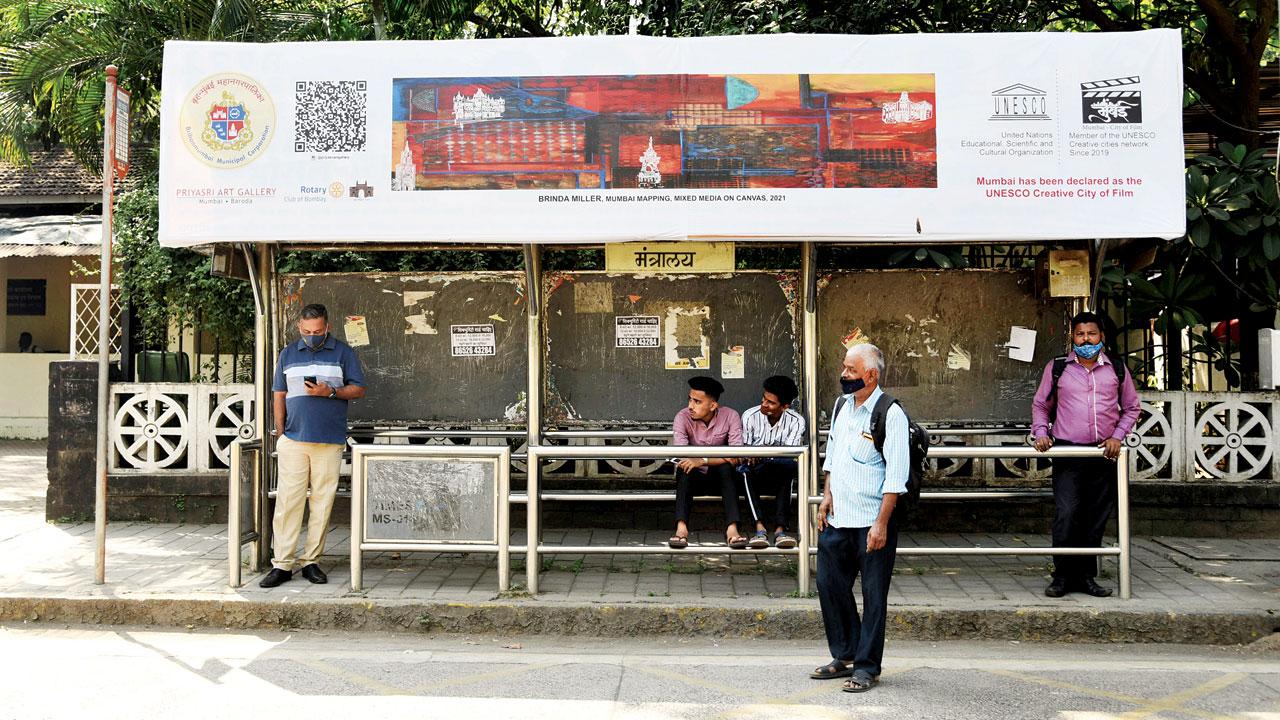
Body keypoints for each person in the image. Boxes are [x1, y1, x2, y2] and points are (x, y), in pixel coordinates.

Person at [812, 343, 907, 693]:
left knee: (873, 596)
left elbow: (896, 475)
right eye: (844, 368)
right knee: (829, 584)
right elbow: (832, 455)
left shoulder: (890, 413)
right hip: (838, 517)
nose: (844, 375)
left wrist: (881, 523)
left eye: (851, 370)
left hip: (872, 521)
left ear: (871, 375)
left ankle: (867, 667)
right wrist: (826, 496)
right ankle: (845, 654)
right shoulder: (841, 406)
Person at [1032, 311, 1140, 599]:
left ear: (1101, 336)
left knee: (1095, 517)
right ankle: (1062, 576)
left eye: (1091, 334)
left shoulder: (1116, 369)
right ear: (1073, 337)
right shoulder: (1057, 368)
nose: (1086, 339)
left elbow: (1131, 408)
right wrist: (1041, 432)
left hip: (1103, 454)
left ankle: (1087, 577)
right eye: (1080, 334)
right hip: (1068, 451)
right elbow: (1041, 405)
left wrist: (1117, 436)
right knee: (1067, 514)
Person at [259, 303, 367, 588]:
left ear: (327, 327)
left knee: (322, 502)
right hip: (293, 439)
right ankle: (282, 564)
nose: (312, 335)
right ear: (299, 329)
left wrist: (329, 391)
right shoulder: (288, 354)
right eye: (307, 331)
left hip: (329, 439)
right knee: (288, 501)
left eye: (317, 331)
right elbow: (278, 395)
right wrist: (281, 432)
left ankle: (311, 561)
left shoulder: (343, 352)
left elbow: (358, 389)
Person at [669, 376, 745, 549]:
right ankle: (681, 530)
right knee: (684, 470)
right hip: (694, 479)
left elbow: (737, 455)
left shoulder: (730, 416)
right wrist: (698, 461)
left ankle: (732, 530)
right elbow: (682, 455)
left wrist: (703, 460)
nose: (690, 406)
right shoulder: (682, 417)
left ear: (713, 405)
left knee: (727, 469)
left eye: (697, 401)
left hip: (721, 479)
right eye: (690, 399)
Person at [741, 374, 806, 549]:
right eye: (764, 399)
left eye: (771, 403)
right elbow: (745, 451)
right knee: (745, 472)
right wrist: (754, 455)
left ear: (785, 406)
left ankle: (780, 530)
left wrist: (762, 454)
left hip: (780, 468)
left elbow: (790, 455)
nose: (764, 404)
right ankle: (759, 528)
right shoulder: (750, 416)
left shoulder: (796, 421)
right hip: (756, 470)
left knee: (788, 471)